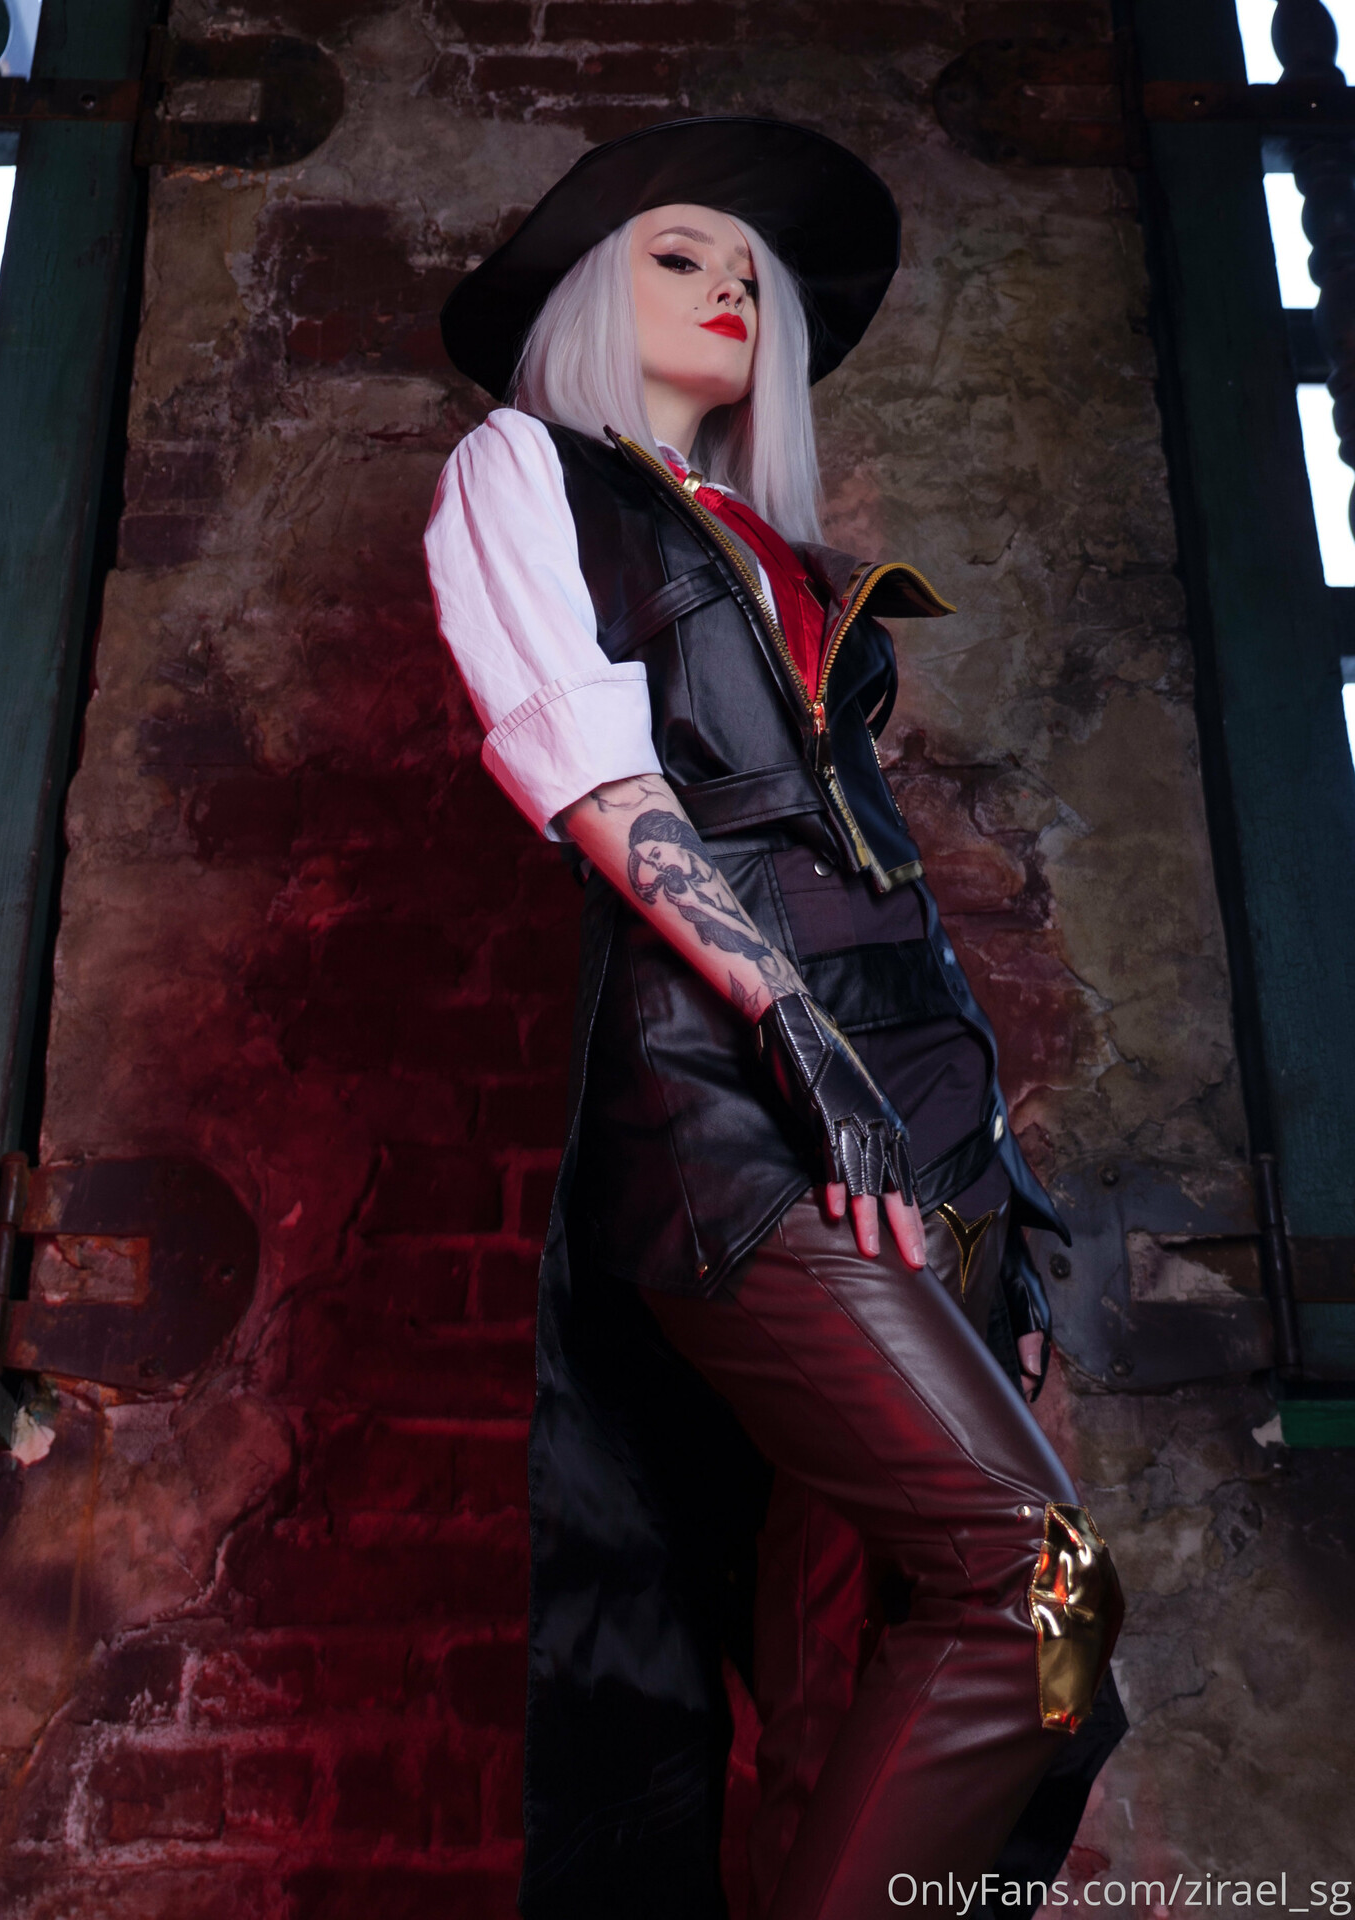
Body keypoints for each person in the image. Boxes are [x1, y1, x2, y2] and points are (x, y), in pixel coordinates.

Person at [424, 116, 1125, 1920]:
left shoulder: (783, 554)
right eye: (680, 254)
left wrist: (995, 1183)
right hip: (735, 1115)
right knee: (1039, 1582)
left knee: (874, 1683)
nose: (731, 284)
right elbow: (593, 774)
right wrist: (790, 1025)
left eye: (752, 270)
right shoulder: (523, 468)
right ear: (593, 295)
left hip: (936, 1125)